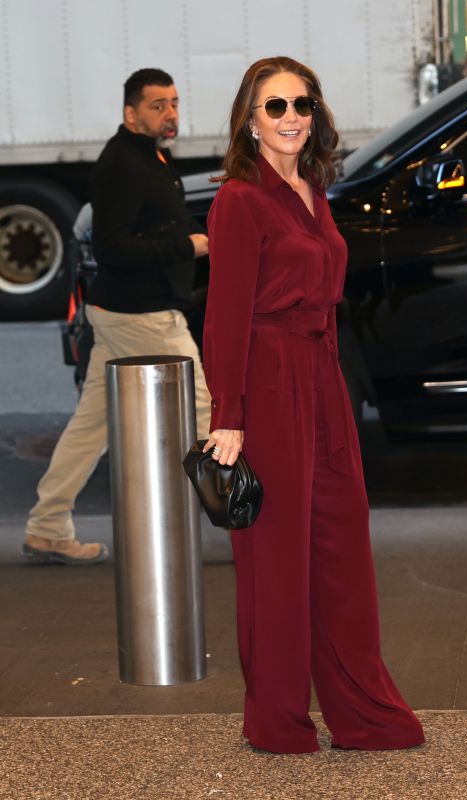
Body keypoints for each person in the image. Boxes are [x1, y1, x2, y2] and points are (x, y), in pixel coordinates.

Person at [202, 56, 425, 755]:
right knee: (276, 558)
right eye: (274, 106)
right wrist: (227, 418)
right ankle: (276, 717)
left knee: (339, 548)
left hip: (321, 376)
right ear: (248, 119)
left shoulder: (311, 190)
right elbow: (226, 316)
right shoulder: (239, 200)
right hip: (267, 383)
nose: (291, 117)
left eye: (301, 103)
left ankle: (361, 711)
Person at [23, 68, 211, 566]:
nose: (169, 113)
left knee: (91, 427)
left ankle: (46, 527)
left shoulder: (150, 157)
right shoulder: (121, 167)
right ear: (131, 113)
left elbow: (159, 222)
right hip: (141, 315)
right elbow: (112, 247)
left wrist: (199, 238)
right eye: (157, 105)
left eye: (173, 102)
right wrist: (187, 246)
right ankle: (244, 525)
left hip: (123, 313)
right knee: (207, 415)